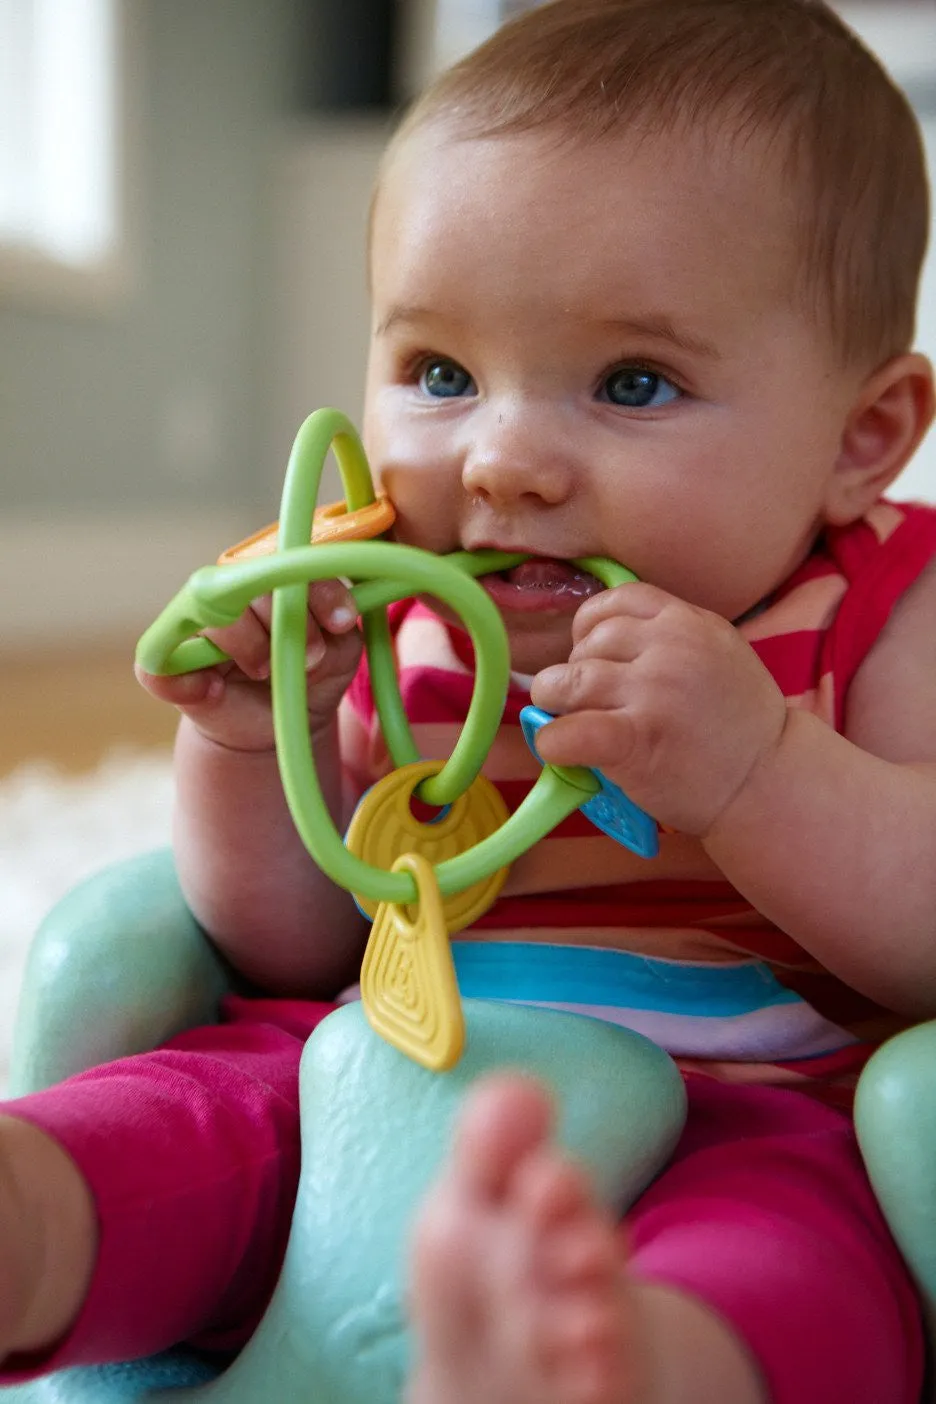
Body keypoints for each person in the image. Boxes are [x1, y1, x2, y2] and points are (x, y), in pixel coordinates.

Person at [1, 0, 934, 1400]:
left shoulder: (876, 607)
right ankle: (36, 1229)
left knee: (798, 1261)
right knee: (195, 1115)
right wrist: (261, 743)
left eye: (634, 383)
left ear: (862, 441)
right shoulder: (414, 621)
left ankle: (616, 1365)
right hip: (385, 1072)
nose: (503, 463)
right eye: (441, 374)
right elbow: (286, 945)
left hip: (741, 1118)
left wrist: (758, 771)